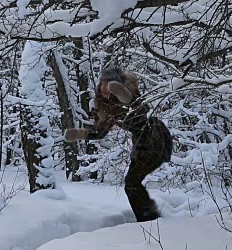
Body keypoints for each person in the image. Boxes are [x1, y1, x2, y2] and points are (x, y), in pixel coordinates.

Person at [64, 68, 173, 222]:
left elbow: (139, 109)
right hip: (141, 143)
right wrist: (76, 134)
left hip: (157, 139)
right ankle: (149, 216)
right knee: (131, 184)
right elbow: (100, 133)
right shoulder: (109, 108)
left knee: (131, 183)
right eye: (102, 83)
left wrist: (123, 94)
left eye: (108, 84)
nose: (104, 87)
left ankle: (149, 219)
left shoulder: (132, 99)